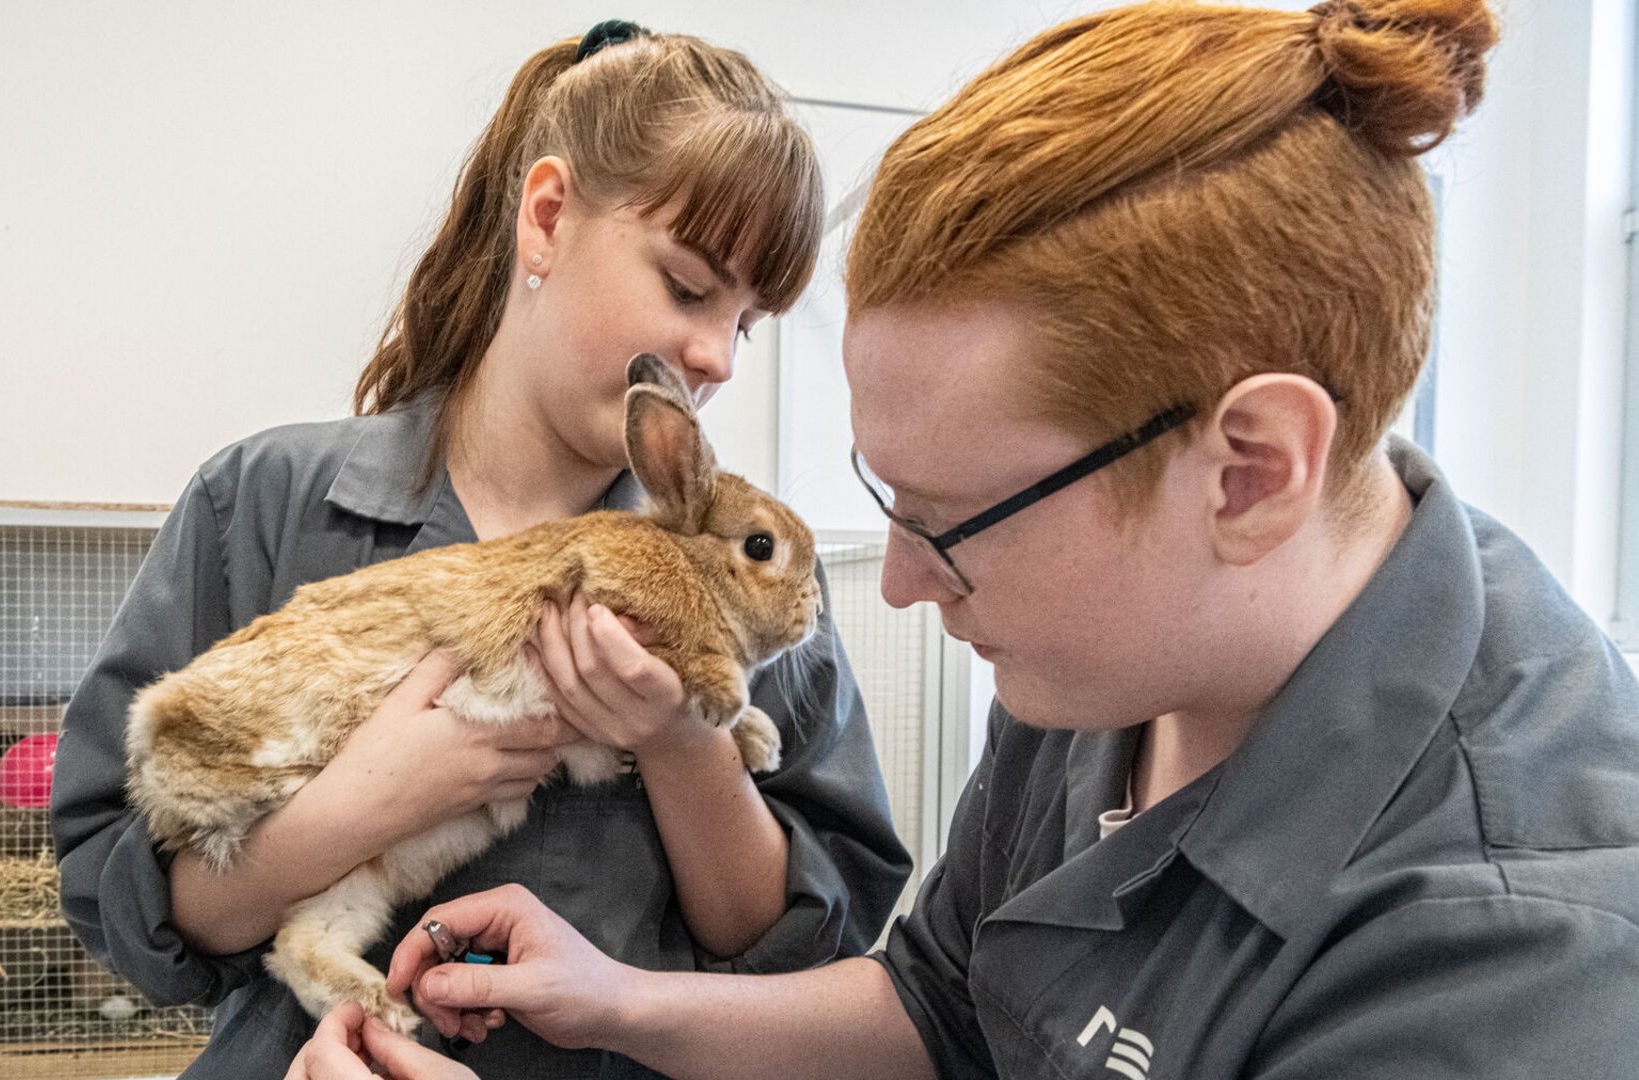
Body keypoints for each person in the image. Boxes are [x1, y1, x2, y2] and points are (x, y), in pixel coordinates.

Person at [338, 1, 1639, 1077]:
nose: (902, 584)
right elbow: (941, 1007)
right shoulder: (1104, 663)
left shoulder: (1507, 958)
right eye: (890, 498)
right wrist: (624, 1000)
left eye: (952, 525)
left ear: (1248, 473)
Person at [51, 20, 911, 1079]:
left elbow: (795, 947)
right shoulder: (266, 502)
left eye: (745, 326)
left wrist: (680, 739)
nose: (714, 357)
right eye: (689, 290)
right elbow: (134, 898)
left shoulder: (734, 567)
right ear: (547, 219)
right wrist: (363, 803)